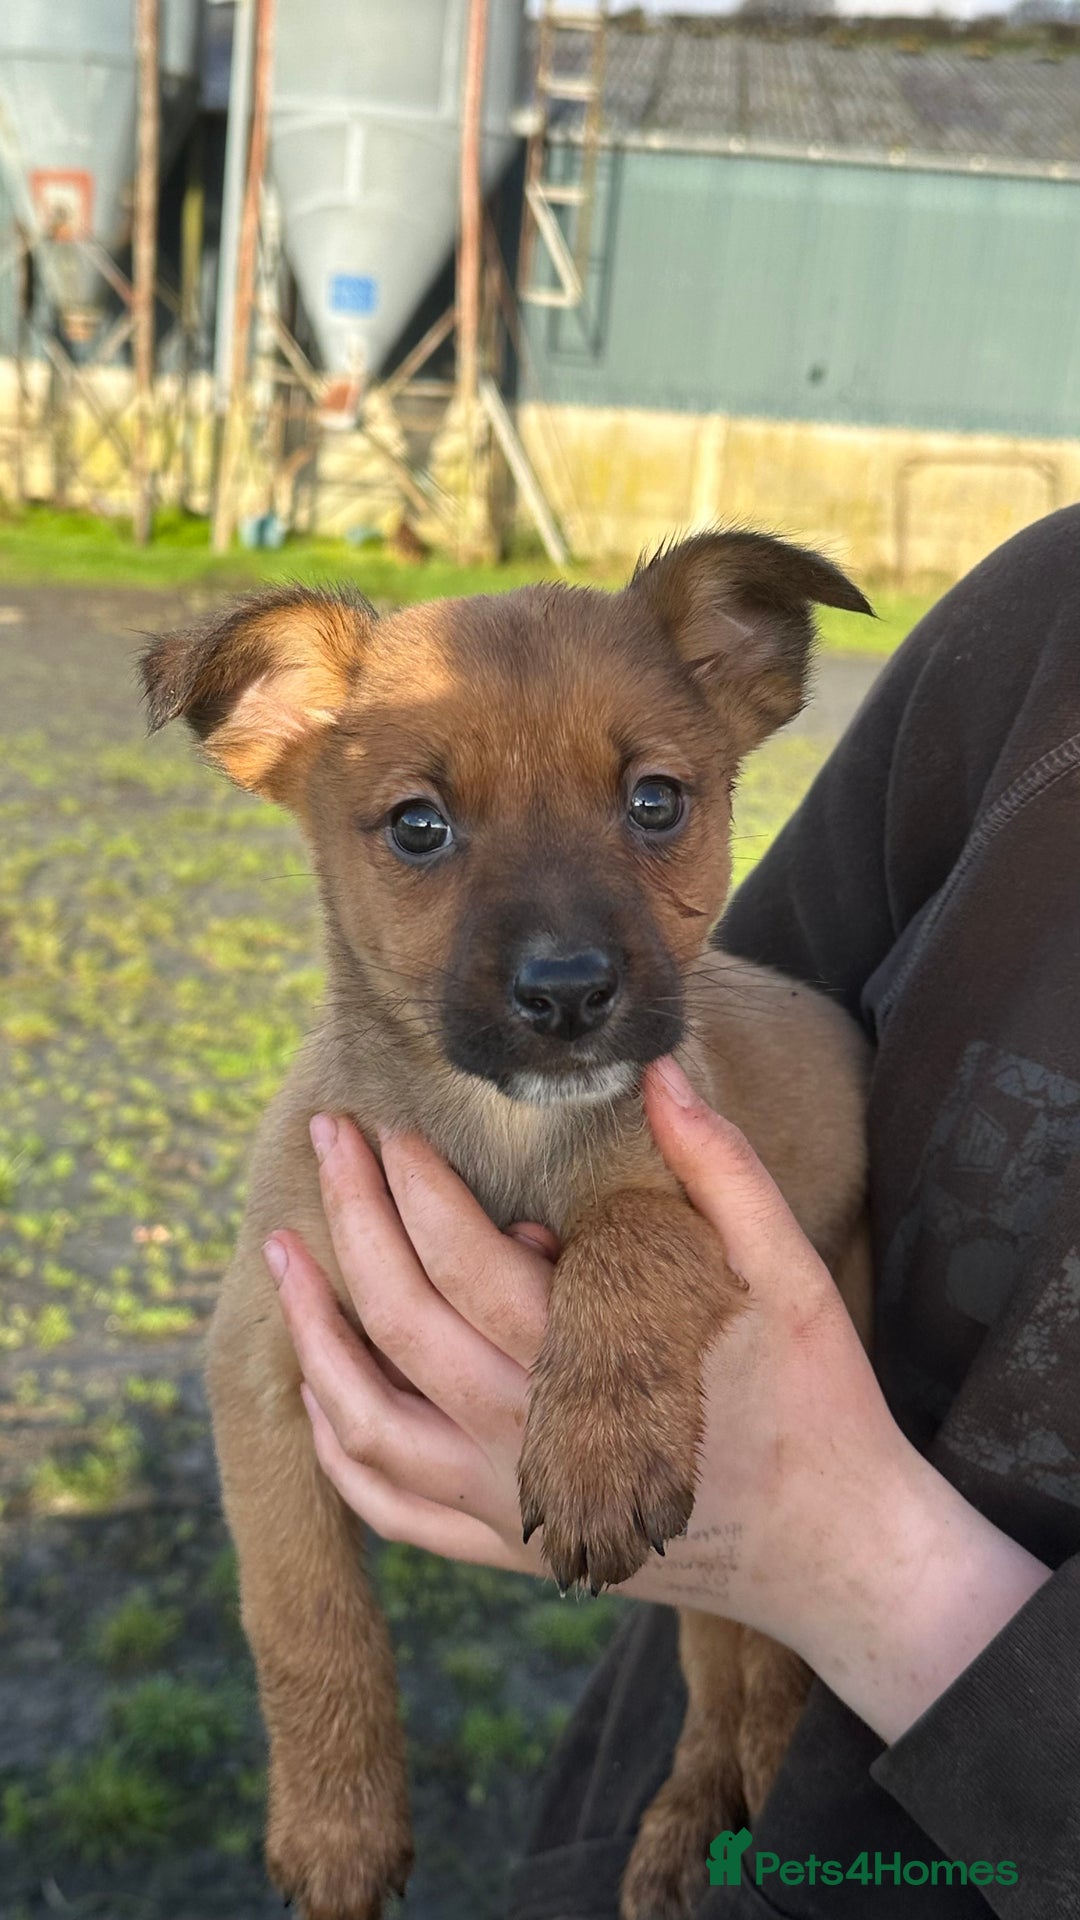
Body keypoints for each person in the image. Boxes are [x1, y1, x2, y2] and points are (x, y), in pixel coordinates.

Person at [265, 508, 1080, 1918]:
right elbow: (260, 1394)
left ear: (748, 674)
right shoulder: (1045, 636)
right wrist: (329, 1743)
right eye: (422, 828)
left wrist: (839, 1552)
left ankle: (721, 1759)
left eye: (651, 806)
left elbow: (720, 1161)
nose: (569, 949)